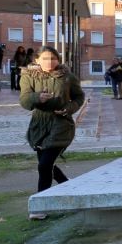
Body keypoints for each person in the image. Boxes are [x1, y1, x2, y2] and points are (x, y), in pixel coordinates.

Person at [19, 46, 85, 220]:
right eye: (46, 58)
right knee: (47, 164)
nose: (50, 62)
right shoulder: (28, 76)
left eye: (53, 58)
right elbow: (24, 100)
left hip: (61, 125)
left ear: (58, 59)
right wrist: (37, 98)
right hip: (39, 126)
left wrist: (68, 109)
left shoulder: (67, 77)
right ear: (37, 60)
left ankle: (41, 205)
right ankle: (69, 187)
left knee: (44, 165)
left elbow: (79, 97)